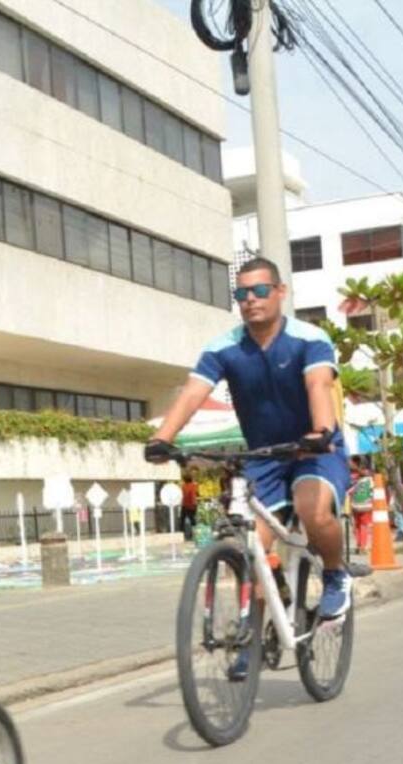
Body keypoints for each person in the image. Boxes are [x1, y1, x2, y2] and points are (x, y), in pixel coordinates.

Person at [145, 256, 352, 681]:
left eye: (260, 291)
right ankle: (255, 636)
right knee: (248, 547)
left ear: (280, 292)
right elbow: (193, 393)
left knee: (313, 511)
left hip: (315, 449)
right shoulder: (224, 347)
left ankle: (335, 575)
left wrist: (320, 430)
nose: (251, 300)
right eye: (242, 294)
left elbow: (318, 385)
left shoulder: (309, 338)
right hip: (265, 457)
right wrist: (162, 438)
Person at [348, 460, 374, 554]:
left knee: (357, 525)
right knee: (363, 526)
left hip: (355, 505)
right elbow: (373, 493)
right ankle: (362, 546)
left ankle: (358, 545)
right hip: (366, 505)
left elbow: (350, 492)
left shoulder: (356, 481)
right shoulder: (371, 480)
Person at [180, 471, 199, 541]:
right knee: (193, 521)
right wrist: (194, 504)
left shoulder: (183, 486)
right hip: (192, 505)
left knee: (182, 520)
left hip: (185, 505)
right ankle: (193, 535)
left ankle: (182, 534)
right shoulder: (194, 485)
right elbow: (195, 495)